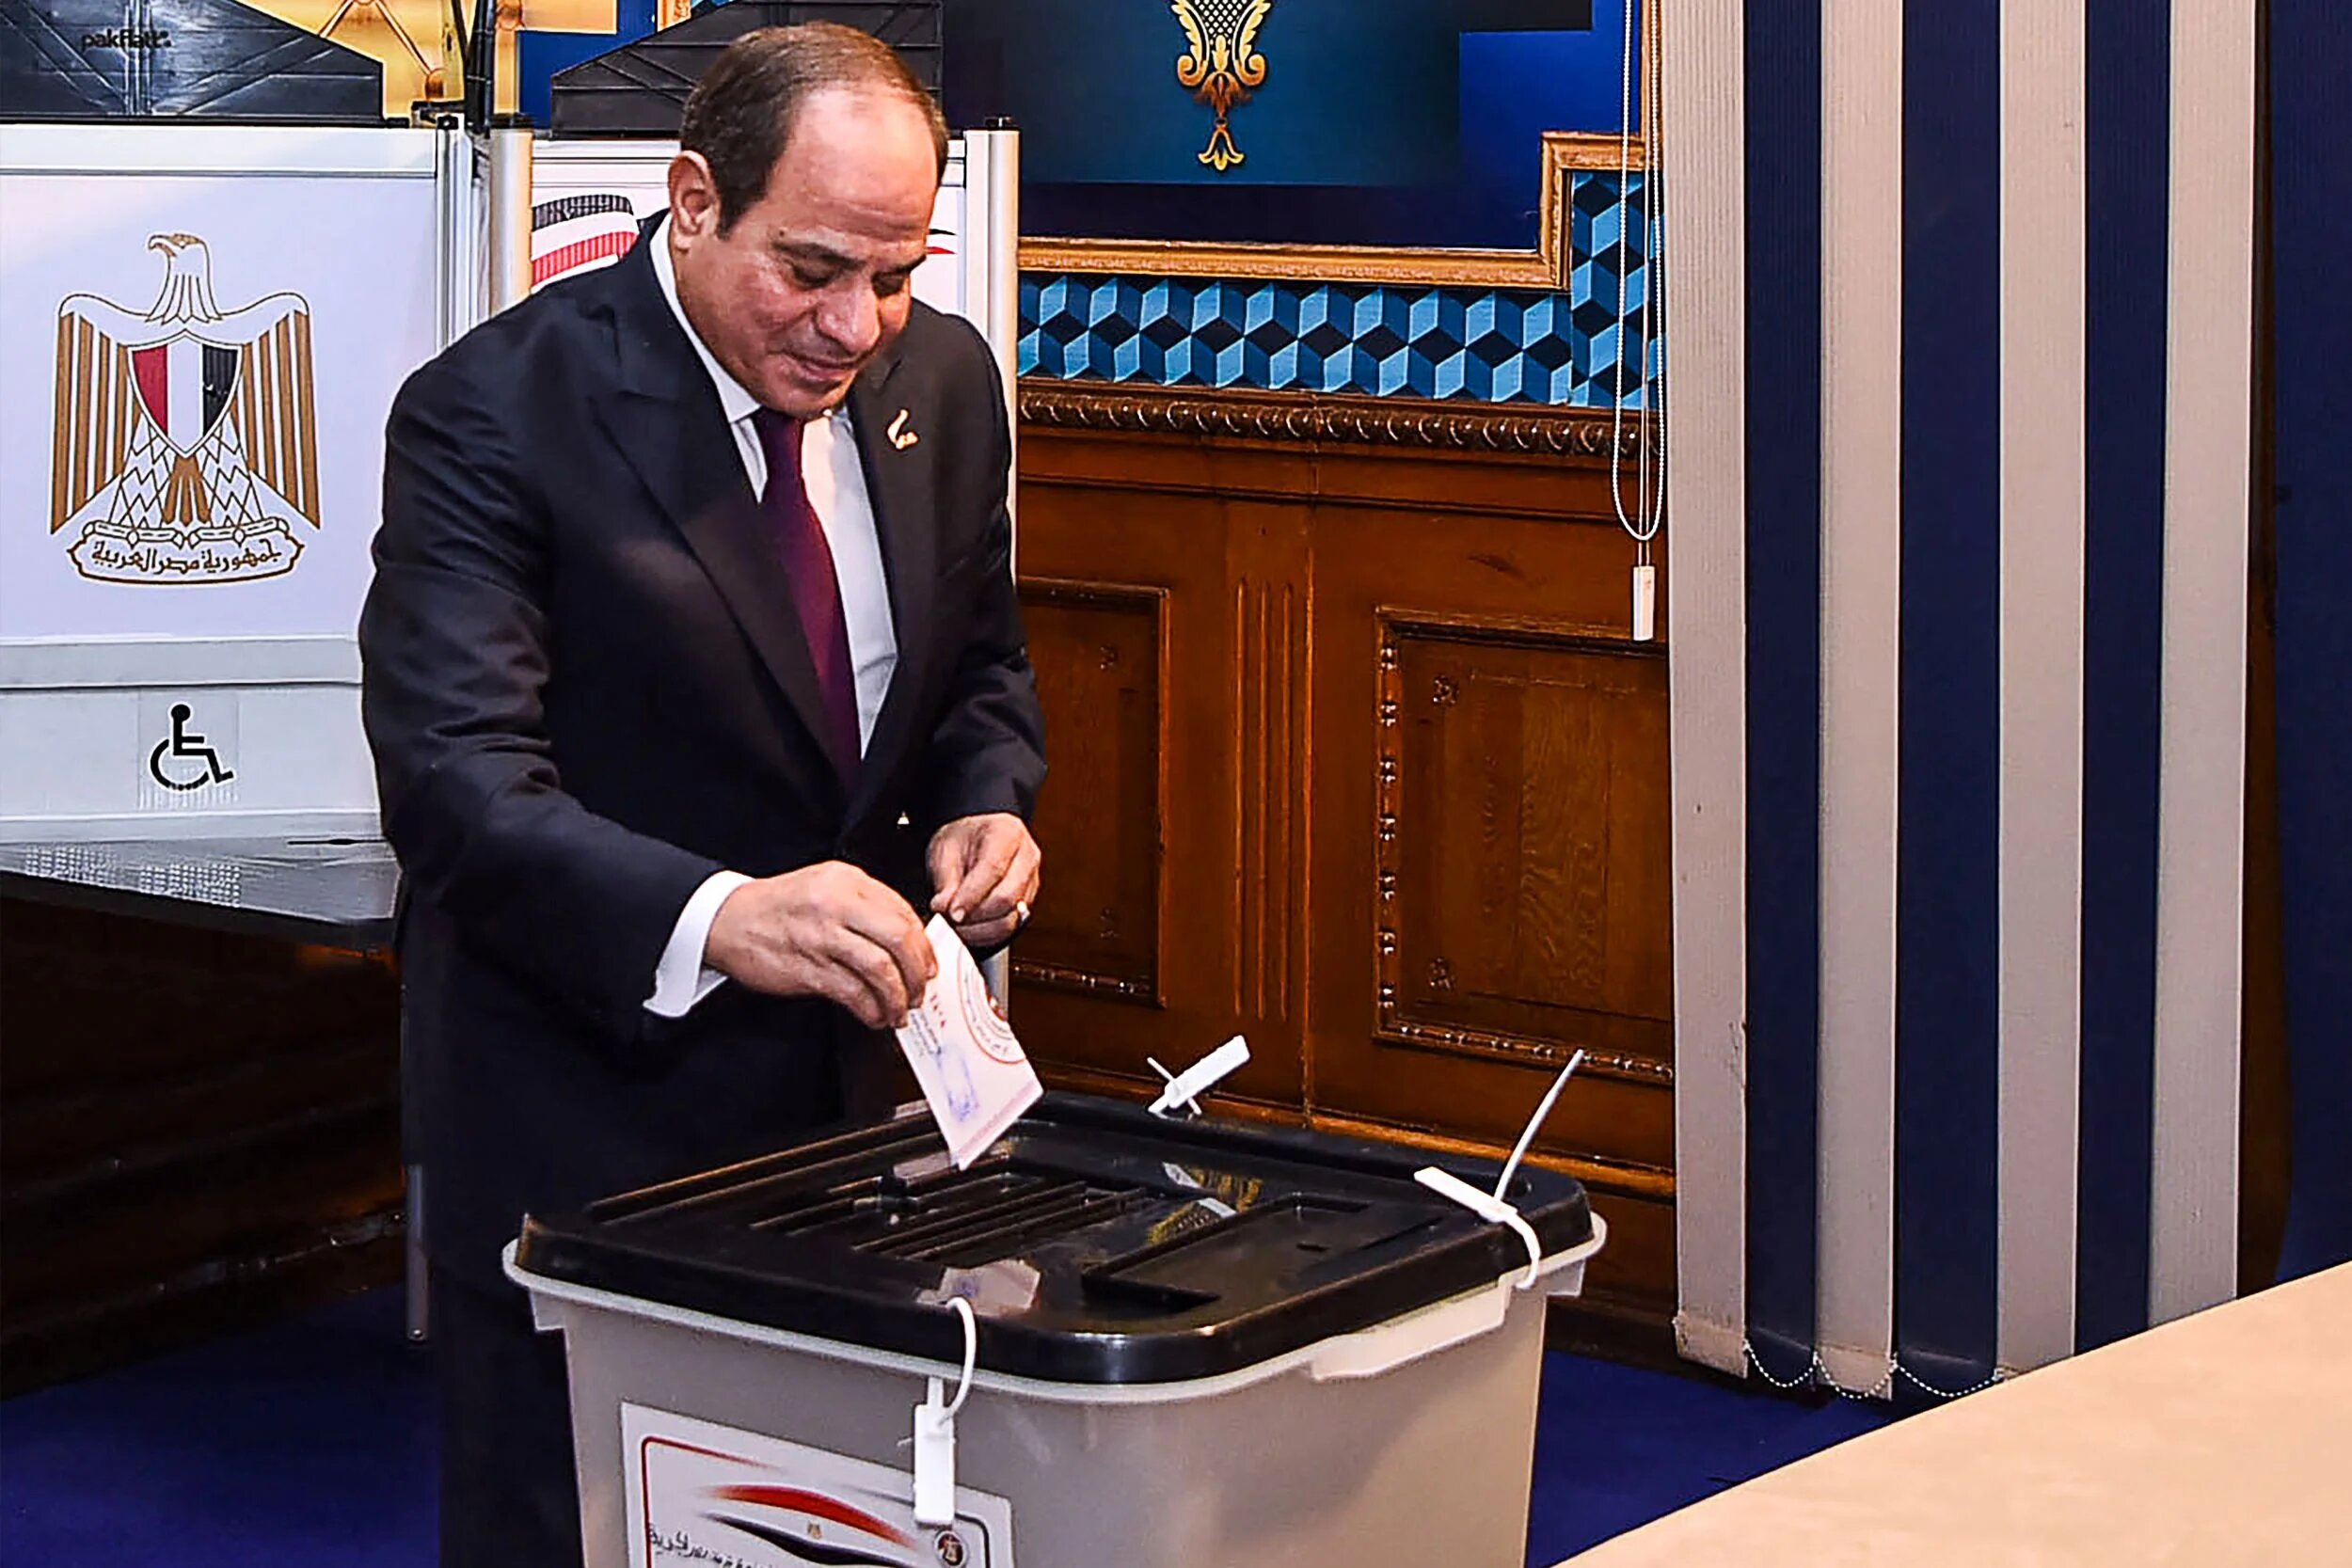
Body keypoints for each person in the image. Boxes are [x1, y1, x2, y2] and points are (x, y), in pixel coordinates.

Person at [356, 24, 1045, 1566]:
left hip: (864, 1125)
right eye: (811, 270)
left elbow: (979, 668)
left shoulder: (945, 379)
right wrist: (721, 917)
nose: (855, 324)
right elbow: (455, 784)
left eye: (896, 273)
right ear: (691, 200)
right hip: (589, 1117)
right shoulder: (496, 411)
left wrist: (987, 801)